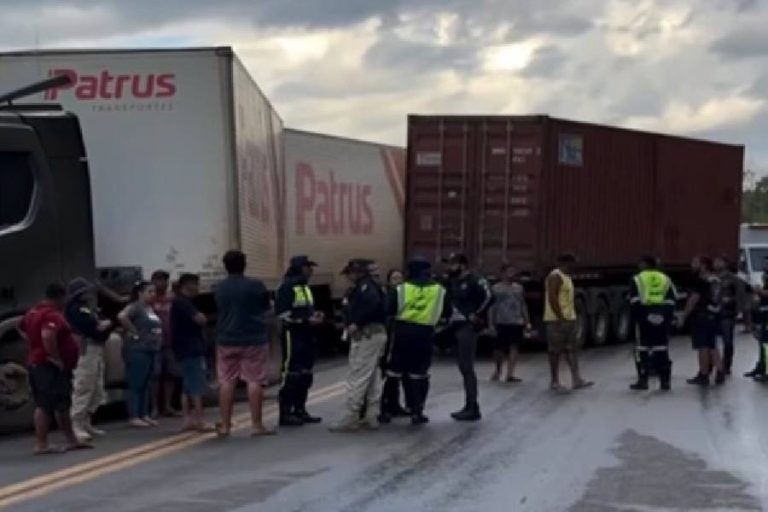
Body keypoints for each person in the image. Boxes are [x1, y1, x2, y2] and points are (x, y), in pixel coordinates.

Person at [19, 283, 92, 454]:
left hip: (42, 363)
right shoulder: (50, 314)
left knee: (62, 404)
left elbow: (20, 328)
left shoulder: (33, 312)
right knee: (45, 405)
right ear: (60, 297)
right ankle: (41, 444)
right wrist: (55, 357)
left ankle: (71, 440)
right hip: (47, 366)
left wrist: (32, 343)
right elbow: (48, 335)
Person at [214, 250, 274, 438]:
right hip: (253, 338)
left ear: (225, 266)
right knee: (254, 380)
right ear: (244, 264)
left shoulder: (219, 287)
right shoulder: (256, 285)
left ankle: (225, 425)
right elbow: (267, 307)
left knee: (227, 381)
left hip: (226, 339)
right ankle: (256, 425)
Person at [383, 257, 450, 425]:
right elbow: (447, 311)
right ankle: (416, 411)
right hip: (425, 333)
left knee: (394, 372)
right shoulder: (440, 290)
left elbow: (389, 309)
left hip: (402, 332)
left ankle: (386, 409)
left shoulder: (401, 289)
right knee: (419, 373)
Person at [330, 259, 389, 432]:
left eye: (350, 273)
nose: (348, 276)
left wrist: (357, 322)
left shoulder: (366, 288)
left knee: (358, 374)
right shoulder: (374, 286)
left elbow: (372, 306)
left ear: (358, 272)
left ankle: (351, 415)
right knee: (372, 376)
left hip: (367, 335)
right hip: (376, 334)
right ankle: (371, 414)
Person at [276, 255, 324, 427]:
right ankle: (285, 412)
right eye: (307, 267)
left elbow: (305, 308)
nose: (311, 270)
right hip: (293, 334)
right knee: (291, 373)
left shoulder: (305, 287)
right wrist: (305, 320)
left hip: (307, 334)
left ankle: (300, 409)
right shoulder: (288, 286)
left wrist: (314, 315)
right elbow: (282, 314)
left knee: (306, 373)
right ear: (299, 268)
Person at [444, 253, 492, 422]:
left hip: (468, 326)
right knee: (463, 366)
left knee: (467, 366)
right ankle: (469, 404)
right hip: (454, 326)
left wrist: (476, 314)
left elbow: (489, 296)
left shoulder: (475, 279)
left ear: (462, 265)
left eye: (452, 264)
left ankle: (472, 405)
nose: (449, 267)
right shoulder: (453, 282)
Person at [66, 278, 113, 441]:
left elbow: (102, 326)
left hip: (97, 347)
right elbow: (89, 328)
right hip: (86, 349)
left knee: (96, 387)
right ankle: (76, 424)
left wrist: (102, 327)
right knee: (84, 386)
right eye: (84, 291)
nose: (87, 294)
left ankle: (87, 421)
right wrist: (100, 327)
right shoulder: (75, 310)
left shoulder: (88, 308)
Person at [544, 253, 594, 392]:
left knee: (571, 349)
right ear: (564, 263)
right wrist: (560, 317)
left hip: (569, 319)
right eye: (571, 264)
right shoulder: (555, 276)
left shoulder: (567, 277)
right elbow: (552, 298)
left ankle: (576, 379)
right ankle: (554, 381)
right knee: (555, 351)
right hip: (556, 320)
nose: (573, 267)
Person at [171, 273, 213, 432]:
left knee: (187, 385)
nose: (198, 288)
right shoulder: (184, 303)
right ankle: (200, 420)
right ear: (188, 286)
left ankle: (187, 419)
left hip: (183, 348)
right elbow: (200, 319)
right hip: (191, 348)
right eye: (196, 285)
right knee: (196, 384)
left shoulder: (179, 302)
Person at [118, 281, 163, 428]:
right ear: (140, 293)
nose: (153, 294)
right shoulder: (135, 306)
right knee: (136, 382)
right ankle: (134, 415)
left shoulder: (150, 308)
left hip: (151, 349)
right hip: (138, 350)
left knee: (147, 383)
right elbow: (122, 316)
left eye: (154, 292)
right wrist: (133, 331)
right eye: (149, 291)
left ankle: (144, 413)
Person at [628, 257, 676, 391]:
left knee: (642, 348)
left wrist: (641, 317)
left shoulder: (637, 279)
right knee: (661, 348)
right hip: (662, 318)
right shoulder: (665, 279)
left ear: (645, 264)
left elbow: (634, 301)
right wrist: (665, 316)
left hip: (644, 318)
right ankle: (665, 381)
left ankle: (643, 380)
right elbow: (671, 300)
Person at [681, 256, 725, 387]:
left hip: (702, 316)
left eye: (695, 263)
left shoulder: (701, 281)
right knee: (713, 346)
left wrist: (684, 316)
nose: (692, 265)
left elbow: (693, 300)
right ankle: (720, 371)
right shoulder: (716, 279)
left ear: (703, 265)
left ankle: (703, 374)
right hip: (714, 315)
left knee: (703, 346)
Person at [489, 264, 530, 383]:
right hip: (501, 321)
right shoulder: (496, 289)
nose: (512, 274)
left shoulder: (519, 288)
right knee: (498, 349)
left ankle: (510, 373)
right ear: (503, 273)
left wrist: (527, 322)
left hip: (516, 321)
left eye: (513, 271)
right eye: (509, 271)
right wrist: (491, 323)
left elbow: (523, 305)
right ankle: (498, 369)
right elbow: (492, 307)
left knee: (514, 346)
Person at [379, 269, 411, 422]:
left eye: (400, 277)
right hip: (388, 336)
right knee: (388, 373)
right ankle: (385, 406)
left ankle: (395, 404)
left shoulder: (405, 294)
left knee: (399, 373)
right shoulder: (387, 295)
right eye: (394, 278)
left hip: (401, 336)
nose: (397, 281)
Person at [149, 270, 180, 418]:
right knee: (155, 375)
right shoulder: (149, 299)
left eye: (165, 280)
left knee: (171, 374)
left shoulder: (171, 299)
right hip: (155, 342)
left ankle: (167, 406)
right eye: (159, 280)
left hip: (170, 341)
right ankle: (154, 407)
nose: (162, 283)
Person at [715, 256, 738, 376]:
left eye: (719, 262)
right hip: (715, 312)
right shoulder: (714, 277)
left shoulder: (733, 279)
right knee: (711, 342)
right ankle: (712, 365)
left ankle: (726, 365)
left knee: (727, 341)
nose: (716, 263)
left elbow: (740, 295)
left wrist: (730, 300)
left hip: (727, 313)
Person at [745, 257, 768, 380]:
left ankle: (766, 371)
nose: (765, 265)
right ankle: (761, 366)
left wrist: (759, 290)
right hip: (763, 314)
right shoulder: (765, 276)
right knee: (762, 342)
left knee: (766, 345)